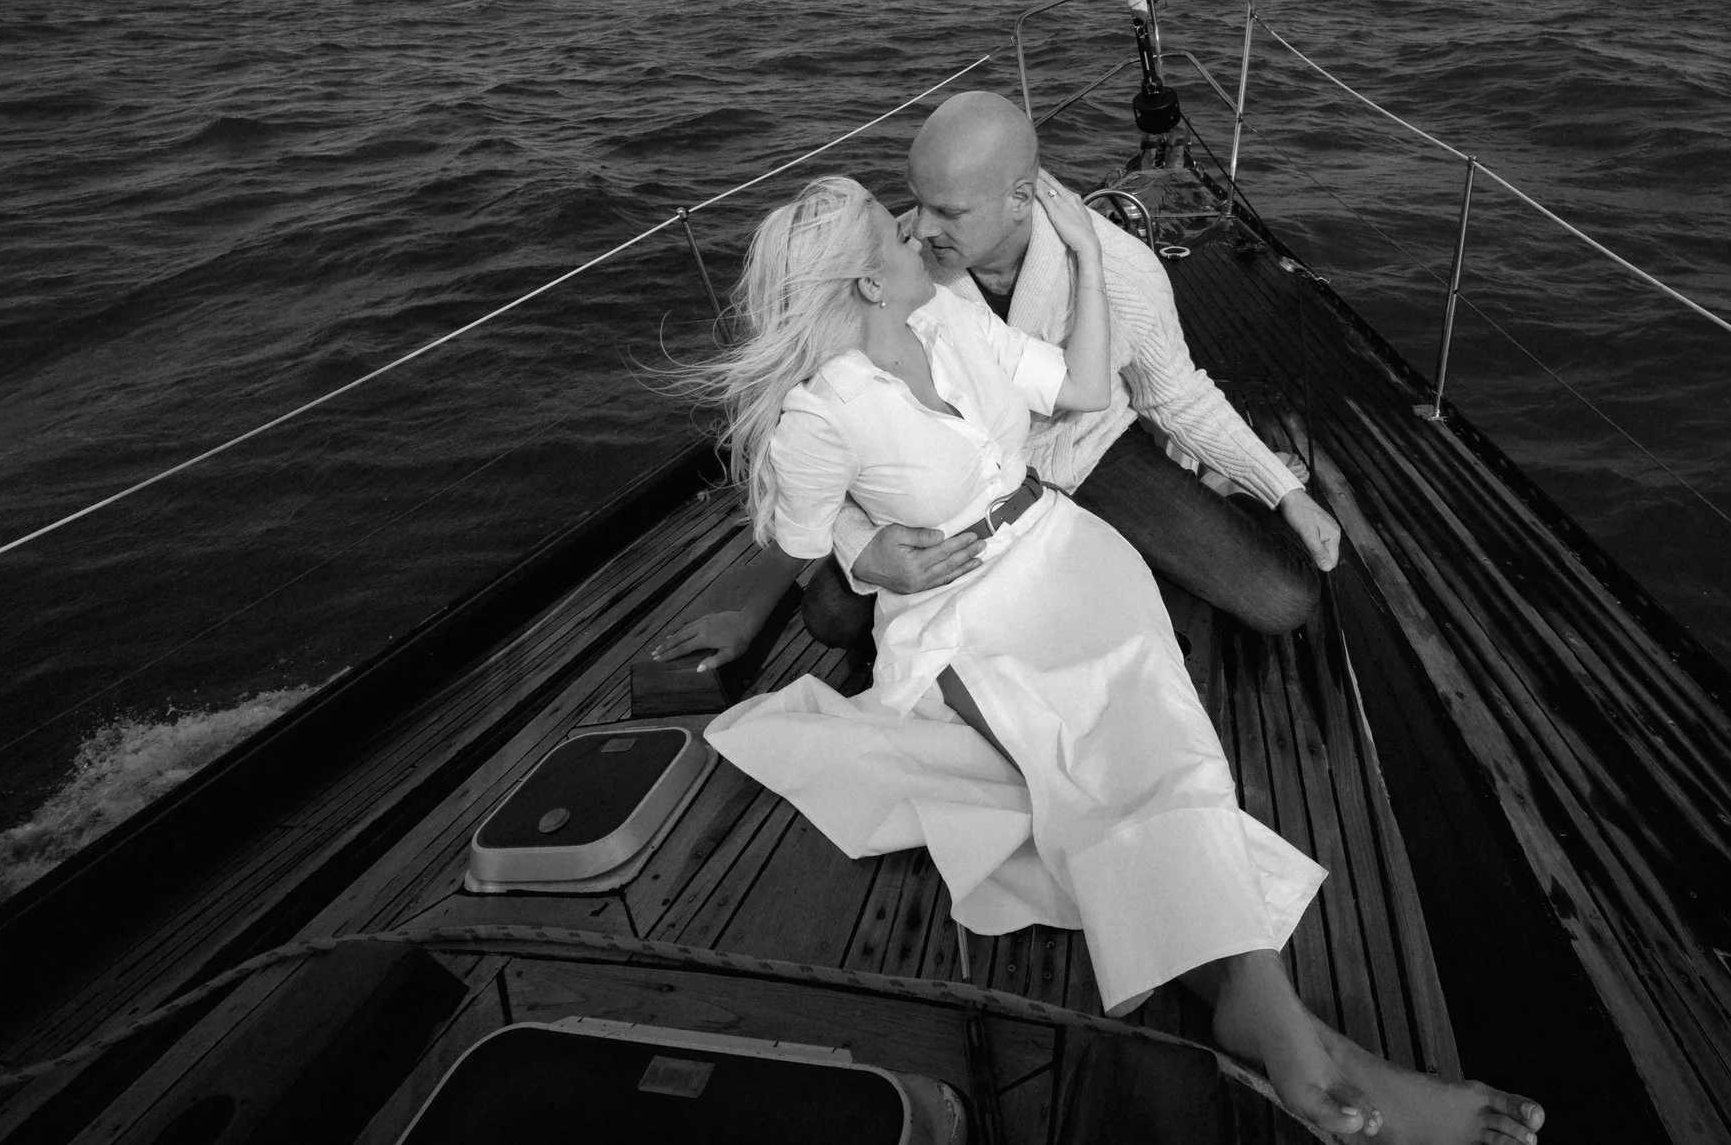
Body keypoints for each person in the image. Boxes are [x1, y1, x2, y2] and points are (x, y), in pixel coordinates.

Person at [661, 173, 1543, 1145]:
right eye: (898, 229)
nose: (919, 229)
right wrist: (871, 556)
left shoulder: (951, 326)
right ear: (868, 284)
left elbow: (1082, 390)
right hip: (954, 611)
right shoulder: (819, 419)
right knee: (1084, 771)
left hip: (1066, 553)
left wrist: (1086, 254)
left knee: (1159, 739)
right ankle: (1290, 1023)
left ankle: (1266, 1009)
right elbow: (800, 533)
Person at [822, 90, 1340, 651]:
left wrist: (1284, 490)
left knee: (1281, 599)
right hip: (957, 479)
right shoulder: (894, 269)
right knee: (831, 615)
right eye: (917, 201)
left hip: (1089, 453)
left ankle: (1220, 490)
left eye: (948, 212)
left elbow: (1177, 396)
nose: (919, 229)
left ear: (1020, 198)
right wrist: (859, 545)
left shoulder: (1119, 268)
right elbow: (827, 424)